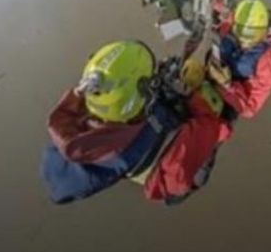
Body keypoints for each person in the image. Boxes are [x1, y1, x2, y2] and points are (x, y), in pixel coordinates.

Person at [40, 40, 231, 205]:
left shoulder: (87, 112)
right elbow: (210, 125)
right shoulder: (175, 154)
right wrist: (189, 95)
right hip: (168, 173)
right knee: (213, 106)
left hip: (130, 151)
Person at [207, 0, 271, 119]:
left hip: (230, 96)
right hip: (210, 71)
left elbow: (250, 109)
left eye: (251, 38)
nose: (244, 43)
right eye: (240, 35)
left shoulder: (268, 64)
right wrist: (214, 8)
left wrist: (227, 85)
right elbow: (221, 15)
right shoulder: (236, 20)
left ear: (265, 33)